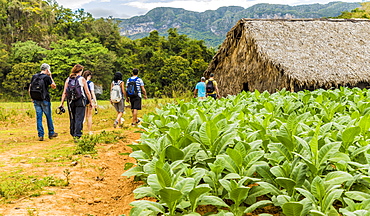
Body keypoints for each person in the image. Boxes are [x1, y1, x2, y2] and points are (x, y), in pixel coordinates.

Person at [59, 64, 94, 140]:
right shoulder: (81, 79)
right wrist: (91, 102)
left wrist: (61, 103)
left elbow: (64, 92)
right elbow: (87, 92)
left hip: (70, 101)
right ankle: (77, 135)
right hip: (80, 100)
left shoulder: (68, 79)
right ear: (80, 71)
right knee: (79, 117)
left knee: (72, 117)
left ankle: (72, 132)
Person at [29, 63, 58, 141]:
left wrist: (32, 98)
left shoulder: (34, 76)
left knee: (39, 117)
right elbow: (54, 86)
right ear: (47, 69)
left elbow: (30, 87)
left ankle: (40, 135)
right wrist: (50, 76)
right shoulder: (46, 77)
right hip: (45, 99)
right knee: (48, 116)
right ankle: (51, 133)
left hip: (36, 99)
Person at [82, 70, 97, 134]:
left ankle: (80, 129)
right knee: (89, 115)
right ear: (89, 76)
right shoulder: (90, 83)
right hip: (88, 99)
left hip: (82, 99)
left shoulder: (81, 81)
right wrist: (94, 101)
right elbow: (92, 92)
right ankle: (89, 130)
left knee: (83, 116)